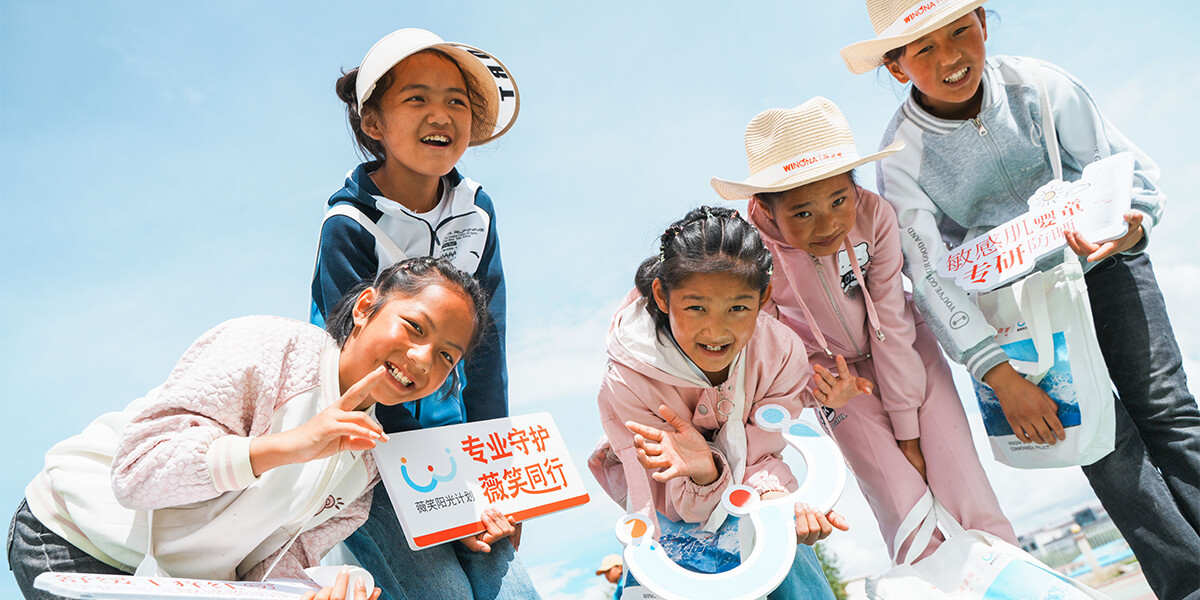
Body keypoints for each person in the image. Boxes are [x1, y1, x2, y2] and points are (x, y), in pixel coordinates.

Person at [840, 2, 1200, 598]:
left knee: (1167, 407)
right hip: (1019, 312)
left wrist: (1128, 226)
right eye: (924, 48)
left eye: (961, 31)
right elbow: (928, 276)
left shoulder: (1040, 85)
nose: (951, 56)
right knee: (1100, 444)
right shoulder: (901, 155)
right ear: (897, 67)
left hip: (1105, 262)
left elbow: (1123, 170)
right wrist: (997, 372)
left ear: (983, 23)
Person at [8, 257, 492, 600]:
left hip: (164, 580)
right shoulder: (271, 348)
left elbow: (268, 568)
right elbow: (137, 472)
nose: (422, 359)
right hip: (76, 535)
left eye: (446, 356)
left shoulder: (365, 463)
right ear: (365, 307)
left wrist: (317, 591)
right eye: (415, 327)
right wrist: (287, 446)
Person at [711, 97, 1016, 561]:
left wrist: (908, 431)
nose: (829, 223)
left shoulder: (875, 216)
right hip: (831, 382)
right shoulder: (749, 257)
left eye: (839, 200)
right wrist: (815, 387)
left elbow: (890, 316)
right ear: (766, 209)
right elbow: (768, 352)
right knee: (903, 506)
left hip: (908, 349)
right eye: (803, 213)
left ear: (854, 185)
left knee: (966, 487)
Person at [310, 29, 537, 599]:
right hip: (366, 452)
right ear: (373, 122)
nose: (440, 115)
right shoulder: (348, 227)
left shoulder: (477, 213)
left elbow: (487, 351)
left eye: (456, 101)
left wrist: (496, 479)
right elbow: (353, 367)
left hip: (452, 452)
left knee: (513, 592)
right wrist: (437, 493)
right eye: (417, 98)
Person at [588, 206, 862, 600]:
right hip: (668, 509)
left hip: (751, 482)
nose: (716, 330)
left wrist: (776, 500)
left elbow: (762, 451)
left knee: (781, 544)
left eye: (737, 308)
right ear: (662, 296)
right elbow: (675, 500)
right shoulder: (629, 380)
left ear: (763, 297)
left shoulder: (779, 352)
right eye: (696, 307)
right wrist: (703, 473)